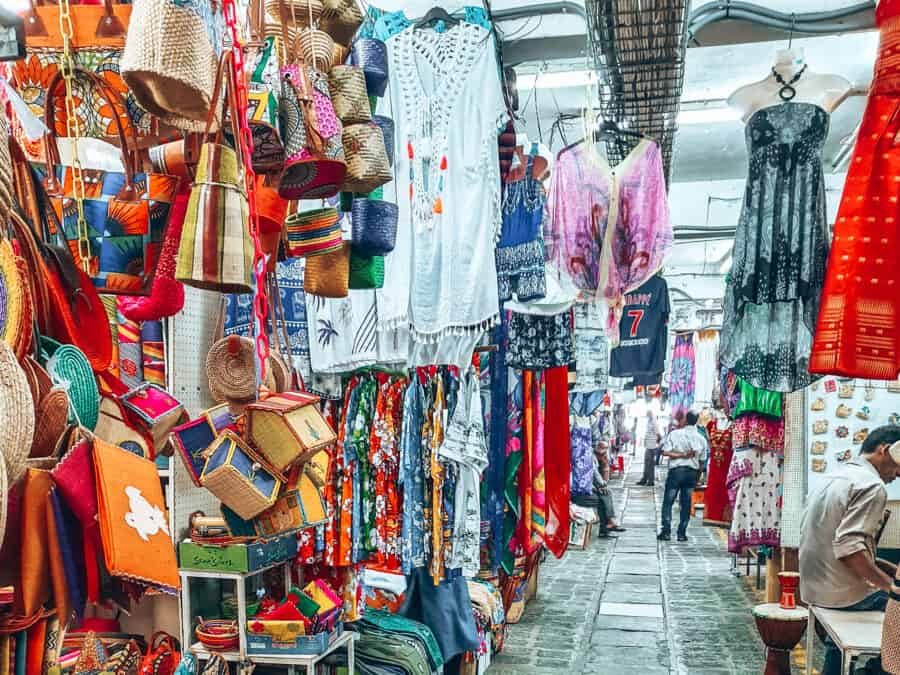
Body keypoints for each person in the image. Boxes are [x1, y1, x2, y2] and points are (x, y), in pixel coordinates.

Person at [800, 426, 900, 675]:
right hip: (841, 593)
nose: (898, 474)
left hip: (814, 587)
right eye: (899, 466)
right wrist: (890, 587)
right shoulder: (872, 486)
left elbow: (843, 542)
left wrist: (881, 568)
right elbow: (849, 549)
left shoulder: (836, 475)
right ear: (884, 450)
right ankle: (877, 670)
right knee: (895, 606)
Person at [657, 411, 708, 542]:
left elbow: (665, 452)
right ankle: (681, 533)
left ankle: (666, 531)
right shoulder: (701, 439)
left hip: (676, 472)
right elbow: (702, 462)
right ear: (696, 421)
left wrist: (681, 455)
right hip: (691, 473)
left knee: (668, 502)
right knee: (686, 503)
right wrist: (697, 478)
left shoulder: (674, 434)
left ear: (685, 419)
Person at [592, 441, 626, 537]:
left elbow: (605, 480)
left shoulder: (603, 458)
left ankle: (606, 527)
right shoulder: (592, 458)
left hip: (594, 485)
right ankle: (610, 521)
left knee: (605, 493)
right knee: (605, 494)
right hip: (586, 486)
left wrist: (606, 466)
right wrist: (602, 485)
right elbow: (595, 474)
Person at [638, 409, 661, 487]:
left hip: (653, 446)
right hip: (648, 445)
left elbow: (658, 434)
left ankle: (650, 480)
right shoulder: (649, 421)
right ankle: (645, 479)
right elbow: (647, 432)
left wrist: (657, 444)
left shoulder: (654, 422)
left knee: (650, 464)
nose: (647, 416)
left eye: (648, 414)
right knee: (647, 463)